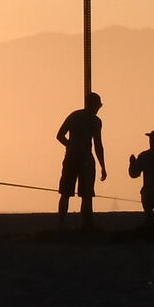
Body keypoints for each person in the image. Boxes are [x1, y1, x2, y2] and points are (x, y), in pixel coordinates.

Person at [55, 94, 108, 224]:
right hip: (83, 158)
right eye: (98, 106)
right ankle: (83, 224)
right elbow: (98, 145)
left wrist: (71, 146)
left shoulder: (75, 116)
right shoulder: (95, 121)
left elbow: (60, 136)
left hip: (73, 157)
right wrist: (102, 166)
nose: (98, 109)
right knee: (84, 194)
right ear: (94, 105)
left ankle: (63, 223)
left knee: (70, 193)